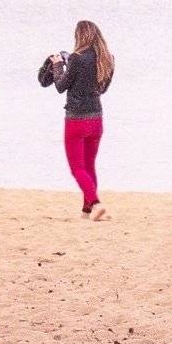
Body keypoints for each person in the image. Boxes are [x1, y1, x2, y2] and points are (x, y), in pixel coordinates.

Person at [40, 19, 114, 219]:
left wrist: (57, 65)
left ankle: (96, 204)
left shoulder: (76, 58)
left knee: (77, 168)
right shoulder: (107, 59)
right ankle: (87, 210)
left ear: (80, 36)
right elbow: (102, 89)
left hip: (76, 120)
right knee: (89, 166)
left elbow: (60, 86)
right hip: (96, 119)